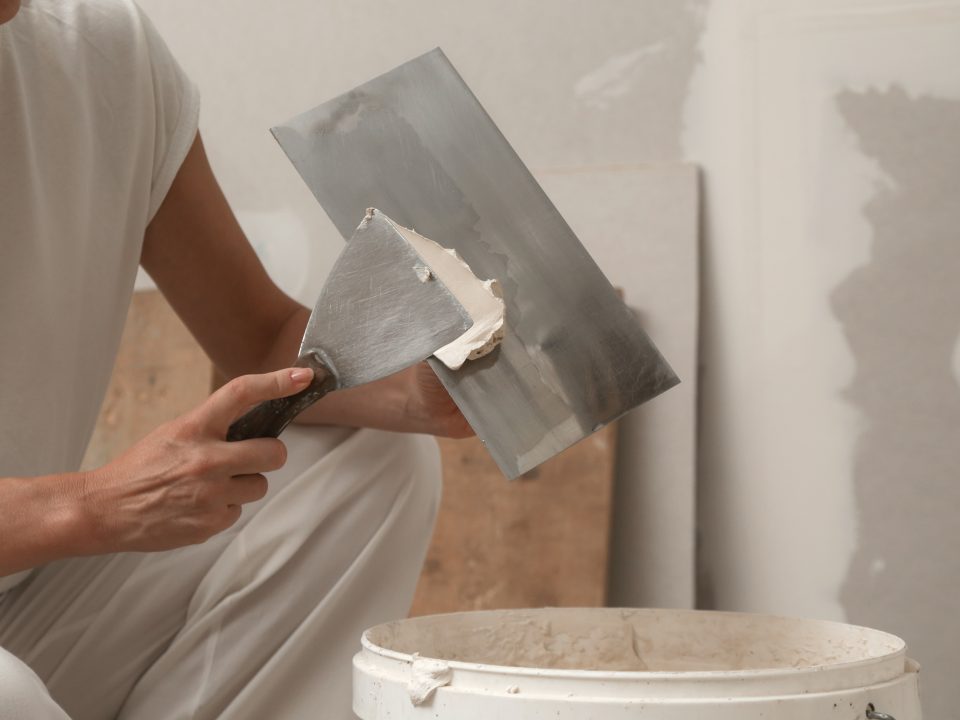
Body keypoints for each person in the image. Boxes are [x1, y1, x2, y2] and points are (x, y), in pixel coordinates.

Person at [0, 0, 471, 717]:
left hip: (26, 593)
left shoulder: (102, 53)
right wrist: (91, 505)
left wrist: (411, 389)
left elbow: (257, 334)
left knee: (368, 460)